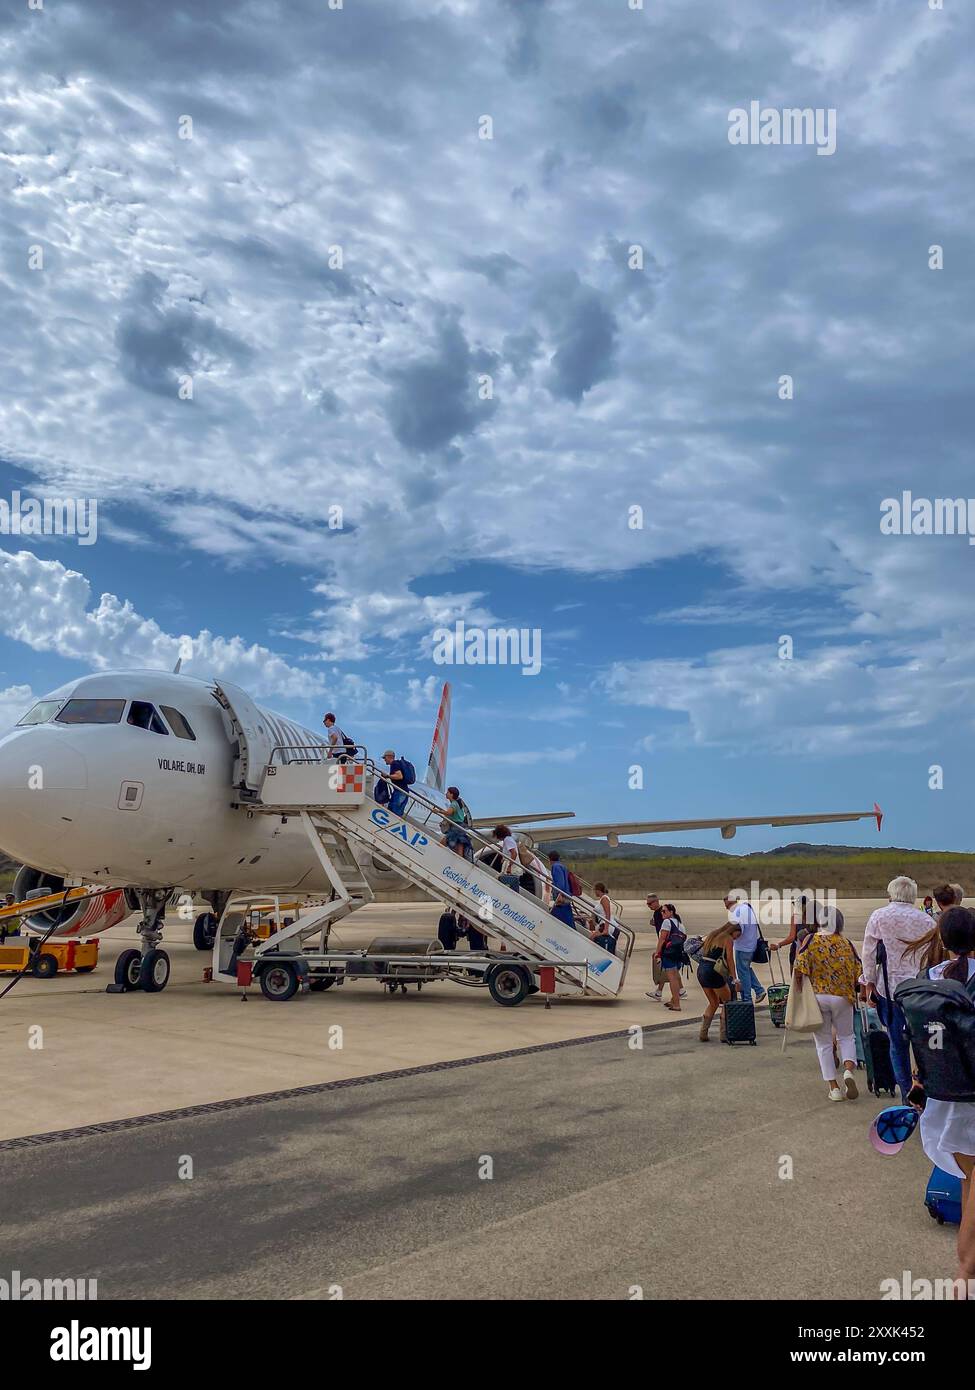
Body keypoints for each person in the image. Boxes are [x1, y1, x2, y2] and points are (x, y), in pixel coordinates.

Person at [905, 906, 975, 1295]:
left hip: (941, 1098)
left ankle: (967, 1269)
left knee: (968, 1178)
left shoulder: (925, 980)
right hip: (972, 1098)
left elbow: (919, 1038)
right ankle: (965, 1275)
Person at [861, 875, 934, 1100]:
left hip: (890, 989)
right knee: (923, 1045)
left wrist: (869, 982)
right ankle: (925, 1089)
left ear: (891, 894)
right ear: (913, 896)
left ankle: (905, 1093)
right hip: (919, 991)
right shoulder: (927, 921)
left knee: (897, 1043)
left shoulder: (879, 916)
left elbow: (869, 953)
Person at [792, 907, 860, 1102]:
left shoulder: (811, 940)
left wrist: (798, 989)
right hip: (842, 997)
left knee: (823, 1043)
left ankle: (834, 1087)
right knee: (846, 1036)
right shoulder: (846, 943)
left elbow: (800, 966)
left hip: (818, 996)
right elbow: (858, 970)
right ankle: (848, 1070)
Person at [695, 923, 741, 1040]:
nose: (737, 937)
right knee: (727, 1001)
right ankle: (724, 1034)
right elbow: (730, 959)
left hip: (701, 969)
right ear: (733, 931)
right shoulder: (728, 939)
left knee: (713, 1002)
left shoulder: (712, 935)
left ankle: (703, 1033)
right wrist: (735, 979)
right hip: (713, 971)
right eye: (738, 934)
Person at [724, 892, 767, 1006]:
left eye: (727, 906)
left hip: (743, 947)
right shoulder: (746, 908)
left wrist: (728, 939)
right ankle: (759, 990)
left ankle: (746, 1000)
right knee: (746, 969)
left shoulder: (736, 913)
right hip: (751, 945)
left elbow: (737, 931)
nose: (727, 909)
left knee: (743, 973)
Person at [654, 904, 687, 1012]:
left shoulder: (667, 922)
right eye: (661, 911)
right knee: (675, 976)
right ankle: (674, 1000)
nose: (662, 913)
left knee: (672, 978)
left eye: (664, 911)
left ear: (671, 912)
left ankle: (676, 1004)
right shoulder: (680, 924)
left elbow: (662, 939)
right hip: (678, 953)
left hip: (669, 953)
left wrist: (657, 952)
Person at [441, 786, 474, 860]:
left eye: (448, 792)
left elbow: (449, 813)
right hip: (460, 826)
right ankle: (460, 861)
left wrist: (438, 811)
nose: (446, 794)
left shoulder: (454, 804)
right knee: (460, 844)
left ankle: (437, 855)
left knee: (444, 841)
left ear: (451, 794)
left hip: (456, 826)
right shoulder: (457, 803)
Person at [380, 749, 414, 817]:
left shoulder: (394, 764)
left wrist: (387, 776)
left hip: (400, 792)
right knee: (391, 810)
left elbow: (399, 776)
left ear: (389, 757)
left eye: (385, 758)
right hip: (399, 791)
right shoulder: (395, 764)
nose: (384, 760)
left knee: (395, 813)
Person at [588, 883, 618, 954]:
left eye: (595, 890)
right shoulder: (602, 899)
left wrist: (606, 929)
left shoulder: (604, 898)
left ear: (598, 890)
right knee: (592, 938)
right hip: (603, 924)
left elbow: (608, 914)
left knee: (591, 938)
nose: (594, 892)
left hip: (606, 925)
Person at [548, 851, 575, 929]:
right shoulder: (562, 866)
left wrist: (559, 895)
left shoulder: (555, 867)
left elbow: (560, 883)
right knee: (567, 918)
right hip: (566, 894)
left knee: (559, 918)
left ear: (550, 859)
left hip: (561, 897)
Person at [493, 825, 522, 893]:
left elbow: (514, 853)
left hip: (512, 866)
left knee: (507, 883)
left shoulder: (507, 840)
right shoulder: (509, 839)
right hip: (510, 863)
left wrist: (509, 866)